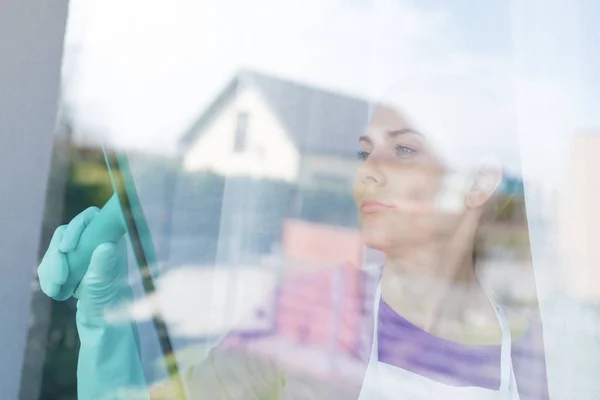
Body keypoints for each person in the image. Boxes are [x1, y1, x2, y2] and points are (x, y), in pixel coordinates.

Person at [38, 82, 549, 399]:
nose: (368, 173)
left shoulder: (532, 354)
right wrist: (103, 325)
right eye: (364, 153)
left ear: (480, 182)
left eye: (405, 151)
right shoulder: (316, 309)